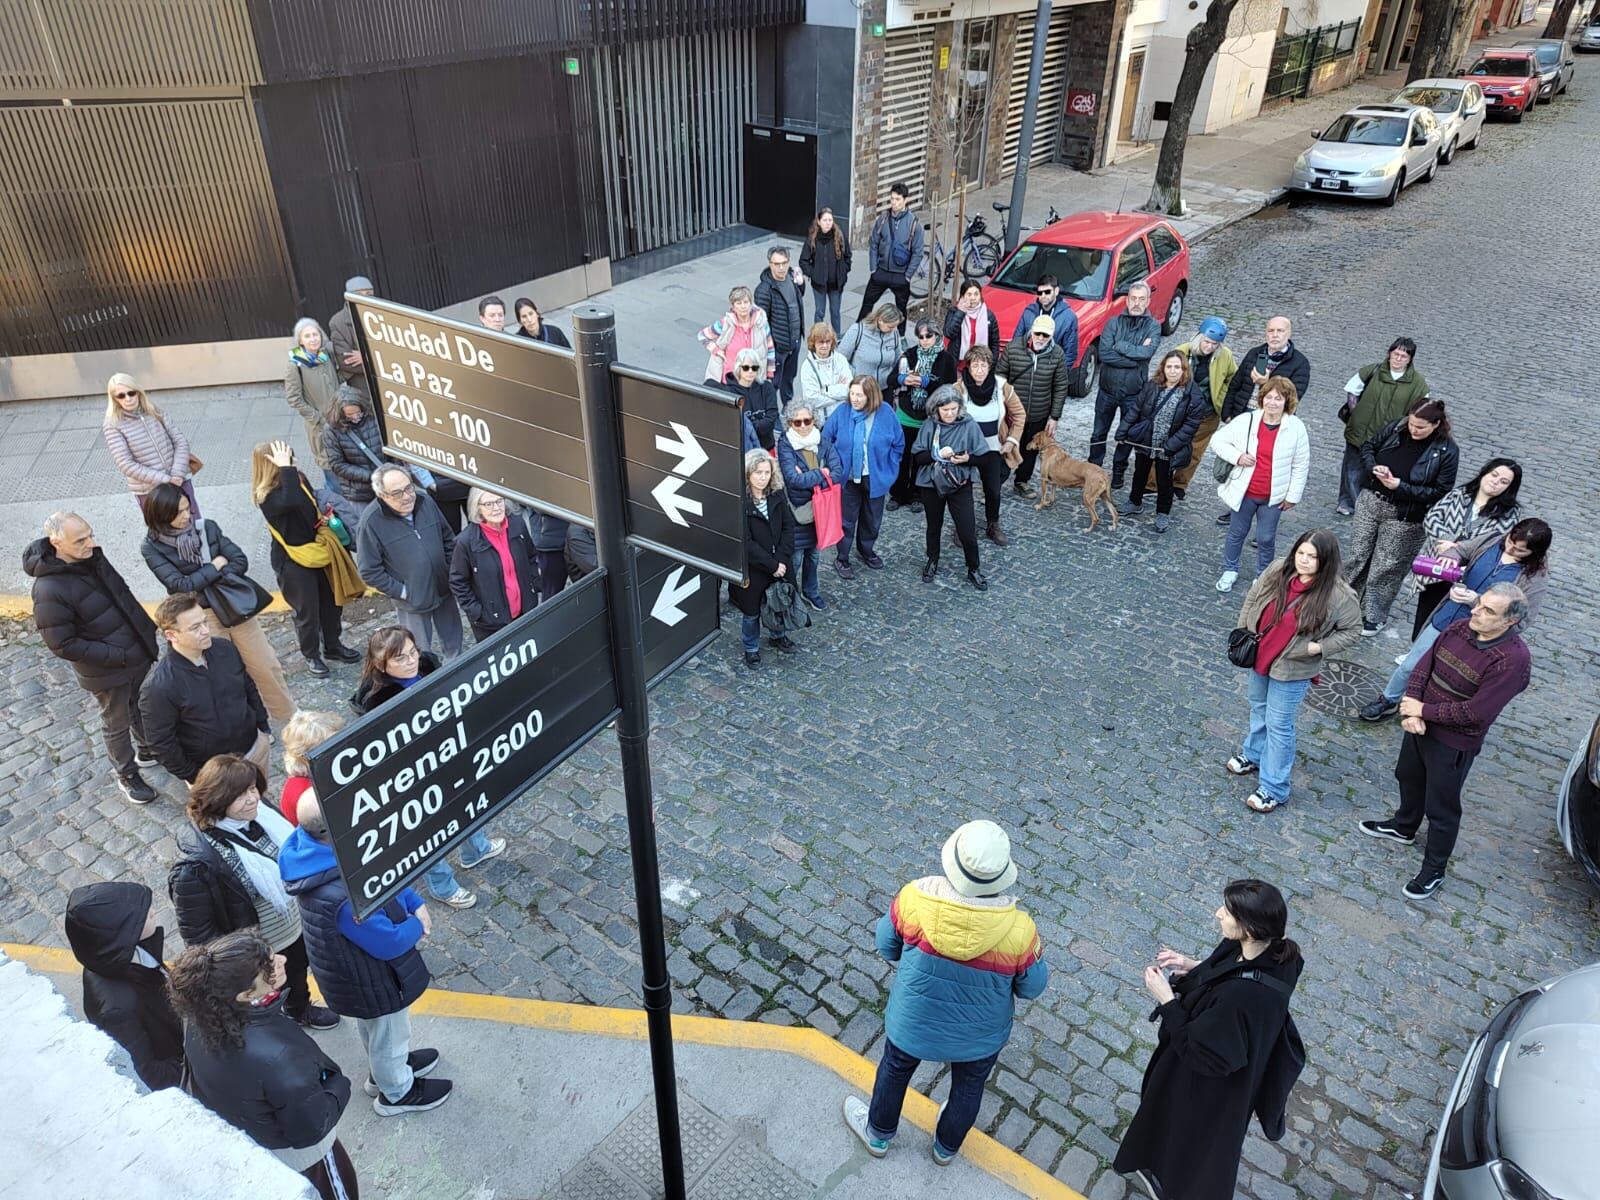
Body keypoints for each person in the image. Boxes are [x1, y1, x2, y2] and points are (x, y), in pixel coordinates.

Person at [841, 819, 1046, 1165]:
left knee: (894, 1070)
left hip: (913, 1022)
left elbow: (886, 945)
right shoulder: (1020, 931)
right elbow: (1033, 987)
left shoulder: (914, 899)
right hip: (979, 1036)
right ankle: (945, 1148)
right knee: (968, 1087)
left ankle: (878, 1135)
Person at [1114, 880, 1303, 1200]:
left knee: (1184, 1135)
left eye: (1228, 913)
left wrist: (1166, 1000)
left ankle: (1168, 1185)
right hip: (1233, 1073)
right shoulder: (1279, 954)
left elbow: (1196, 1050)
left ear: (1251, 929)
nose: (1218, 914)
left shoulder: (1238, 998)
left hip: (1207, 1087)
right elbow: (1233, 974)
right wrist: (1193, 966)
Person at [280, 792, 454, 1115]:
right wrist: (418, 924)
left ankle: (384, 1071)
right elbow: (387, 942)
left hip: (354, 975)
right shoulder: (342, 894)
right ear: (333, 830)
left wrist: (412, 901)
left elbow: (383, 874)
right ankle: (396, 1091)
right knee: (389, 1030)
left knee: (375, 1028)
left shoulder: (317, 852)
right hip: (372, 979)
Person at [1359, 583, 1532, 900]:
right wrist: (1412, 706)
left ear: (1510, 621)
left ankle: (1434, 869)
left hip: (1453, 741)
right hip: (1419, 723)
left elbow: (1476, 712)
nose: (1476, 612)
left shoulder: (1512, 661)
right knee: (1408, 776)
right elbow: (1424, 666)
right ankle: (1404, 826)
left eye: (1487, 611)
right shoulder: (1460, 627)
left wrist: (1423, 710)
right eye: (1479, 604)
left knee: (1442, 808)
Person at [166, 932, 361, 1198]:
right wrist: (340, 1086)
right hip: (305, 1159)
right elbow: (312, 1126)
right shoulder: (278, 1057)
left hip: (257, 1139)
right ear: (246, 994)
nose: (281, 960)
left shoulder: (200, 1017)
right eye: (268, 967)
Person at [169, 753, 339, 1030]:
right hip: (259, 946)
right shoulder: (197, 864)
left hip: (295, 924)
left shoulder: (262, 814)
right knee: (268, 994)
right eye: (240, 795)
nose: (252, 798)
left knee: (296, 973)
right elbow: (198, 934)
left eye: (252, 789)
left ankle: (299, 1009)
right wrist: (242, 964)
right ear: (217, 799)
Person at [351, 627, 504, 906]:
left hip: (450, 754)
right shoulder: (377, 704)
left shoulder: (427, 667)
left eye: (413, 652)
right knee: (429, 830)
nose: (411, 661)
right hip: (416, 773)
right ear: (381, 665)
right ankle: (442, 885)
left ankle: (475, 848)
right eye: (400, 659)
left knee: (466, 800)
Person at [25, 512, 161, 805]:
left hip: (134, 651)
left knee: (139, 704)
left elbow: (121, 594)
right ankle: (127, 775)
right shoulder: (48, 588)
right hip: (108, 669)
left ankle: (147, 749)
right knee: (116, 721)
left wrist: (145, 631)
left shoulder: (91, 556)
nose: (91, 543)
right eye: (81, 540)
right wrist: (116, 655)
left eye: (90, 534)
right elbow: (61, 643)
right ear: (56, 543)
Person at [1225, 531, 1362, 813]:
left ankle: (1274, 787)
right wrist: (1243, 630)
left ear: (1326, 561)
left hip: (1294, 667)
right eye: (1301, 553)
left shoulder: (1339, 596)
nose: (1304, 561)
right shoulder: (1278, 569)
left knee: (1279, 724)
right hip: (1261, 656)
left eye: (1313, 557)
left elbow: (1353, 631)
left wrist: (1318, 648)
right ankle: (1254, 754)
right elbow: (1253, 598)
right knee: (1258, 708)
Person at [1361, 520, 1550, 722]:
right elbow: (1461, 550)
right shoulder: (1492, 540)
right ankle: (1389, 700)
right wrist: (1451, 558)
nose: (1510, 548)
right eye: (1511, 541)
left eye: (1520, 551)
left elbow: (1522, 620)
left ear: (1534, 554)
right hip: (1446, 617)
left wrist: (1476, 600)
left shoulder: (1534, 578)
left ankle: (1428, 712)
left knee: (1447, 677)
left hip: (1475, 635)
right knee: (1410, 665)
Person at [139, 483, 295, 726]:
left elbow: (239, 561)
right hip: (201, 615)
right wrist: (215, 567)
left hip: (234, 608)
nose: (186, 516)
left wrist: (207, 576)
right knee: (224, 677)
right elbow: (181, 586)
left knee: (266, 665)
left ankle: (289, 718)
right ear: (160, 516)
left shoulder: (206, 528)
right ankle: (252, 724)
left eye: (186, 509)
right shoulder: (151, 547)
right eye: (178, 512)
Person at [1344, 398, 1459, 635]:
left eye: (1420, 427)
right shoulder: (1397, 426)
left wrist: (1400, 486)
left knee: (1387, 567)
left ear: (1436, 424)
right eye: (1412, 423)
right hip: (1372, 501)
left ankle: (1373, 615)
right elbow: (1368, 447)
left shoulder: (1447, 451)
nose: (1413, 429)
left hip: (1405, 516)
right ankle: (1344, 604)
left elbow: (1440, 492)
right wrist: (1373, 466)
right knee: (1358, 555)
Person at [253, 439, 363, 677]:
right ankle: (311, 655)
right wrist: (287, 469)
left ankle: (333, 646)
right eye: (287, 460)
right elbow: (290, 500)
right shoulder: (266, 495)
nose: (293, 462)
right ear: (274, 465)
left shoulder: (297, 479)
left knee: (332, 602)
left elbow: (306, 503)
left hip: (317, 549)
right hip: (293, 561)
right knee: (307, 612)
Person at [140, 594, 272, 785]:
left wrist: (263, 727)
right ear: (171, 635)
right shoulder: (159, 687)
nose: (205, 631)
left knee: (260, 801)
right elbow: (162, 744)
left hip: (254, 748)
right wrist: (197, 777)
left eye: (204, 622)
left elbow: (248, 686)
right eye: (195, 628)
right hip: (215, 774)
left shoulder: (225, 649)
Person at [64, 882, 183, 1090]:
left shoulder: (108, 955)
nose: (153, 912)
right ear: (122, 935)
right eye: (142, 916)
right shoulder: (118, 1010)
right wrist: (202, 1065)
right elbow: (149, 1074)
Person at [1211, 376, 1310, 590]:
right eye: (1269, 397)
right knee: (1236, 533)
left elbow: (1301, 464)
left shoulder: (1296, 427)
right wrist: (1237, 457)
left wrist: (1293, 496)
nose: (1272, 403)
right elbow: (1217, 441)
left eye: (1278, 398)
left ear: (1287, 402)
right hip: (1245, 491)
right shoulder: (1248, 420)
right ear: (1262, 398)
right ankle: (1230, 569)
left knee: (1266, 538)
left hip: (1273, 495)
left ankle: (1263, 575)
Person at [357, 463, 464, 659]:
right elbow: (369, 571)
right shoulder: (371, 522)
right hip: (412, 600)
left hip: (443, 588)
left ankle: (457, 676)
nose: (407, 496)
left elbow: (448, 537)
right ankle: (426, 682)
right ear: (382, 496)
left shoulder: (425, 501)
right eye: (397, 493)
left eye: (408, 488)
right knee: (417, 651)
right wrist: (403, 591)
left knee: (454, 643)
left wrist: (448, 570)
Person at [1409, 458, 1523, 638]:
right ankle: (1416, 649)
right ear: (1485, 472)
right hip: (1438, 564)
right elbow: (1432, 518)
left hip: (1467, 573)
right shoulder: (1460, 494)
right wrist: (1446, 540)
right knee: (1426, 609)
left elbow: (1496, 541)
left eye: (1504, 482)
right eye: (1494, 475)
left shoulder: (1509, 512)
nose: (1495, 482)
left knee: (1455, 616)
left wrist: (1458, 548)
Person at [821, 375, 903, 578]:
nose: (855, 399)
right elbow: (825, 439)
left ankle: (866, 550)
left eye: (860, 395)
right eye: (852, 394)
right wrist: (833, 466)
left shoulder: (886, 413)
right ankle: (842, 557)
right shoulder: (842, 412)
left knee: (872, 519)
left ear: (871, 396)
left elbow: (898, 444)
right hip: (848, 479)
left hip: (875, 477)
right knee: (846, 521)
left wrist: (889, 469)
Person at [1337, 338, 1428, 515]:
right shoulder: (1373, 370)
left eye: (1404, 356)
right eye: (1396, 354)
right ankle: (1348, 502)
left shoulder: (1418, 384)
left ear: (1410, 359)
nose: (1399, 358)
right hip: (1360, 431)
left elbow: (1420, 410)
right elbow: (1352, 391)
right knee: (1352, 467)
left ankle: (1369, 505)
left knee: (1376, 471)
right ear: (1389, 353)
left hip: (1388, 437)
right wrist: (1356, 414)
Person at [1119, 351, 1206, 533]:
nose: (1173, 371)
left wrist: (1170, 446)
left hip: (1167, 446)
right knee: (1140, 472)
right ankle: (1135, 501)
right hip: (1147, 440)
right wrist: (1123, 431)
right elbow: (1136, 409)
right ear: (1163, 368)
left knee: (1164, 480)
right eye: (1169, 367)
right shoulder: (1152, 385)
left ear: (1184, 370)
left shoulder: (1193, 395)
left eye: (1177, 367)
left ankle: (1163, 512)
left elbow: (1190, 426)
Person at [913, 386, 990, 591]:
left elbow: (984, 457)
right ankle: (932, 560)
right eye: (945, 410)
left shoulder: (969, 425)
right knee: (933, 525)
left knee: (967, 528)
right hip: (932, 483)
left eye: (953, 409)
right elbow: (918, 456)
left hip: (960, 483)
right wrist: (937, 455)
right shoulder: (930, 425)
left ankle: (973, 568)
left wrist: (967, 459)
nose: (949, 414)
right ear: (936, 409)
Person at [1088, 281, 1161, 488]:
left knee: (1126, 435)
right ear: (1127, 299)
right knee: (1098, 433)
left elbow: (1147, 353)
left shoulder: (1153, 326)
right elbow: (1105, 354)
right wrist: (1134, 357)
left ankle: (1118, 471)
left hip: (1133, 394)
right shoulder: (1113, 323)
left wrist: (1119, 346)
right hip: (1107, 391)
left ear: (1148, 300)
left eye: (1141, 299)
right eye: (1133, 298)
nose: (1136, 303)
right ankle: (1094, 467)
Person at [729, 450, 796, 669]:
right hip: (754, 569)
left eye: (767, 472)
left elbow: (788, 527)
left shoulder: (777, 494)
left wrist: (782, 559)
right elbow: (746, 543)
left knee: (779, 603)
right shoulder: (740, 502)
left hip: (780, 562)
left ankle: (778, 635)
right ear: (748, 474)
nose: (763, 477)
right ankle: (751, 649)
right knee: (752, 613)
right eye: (758, 472)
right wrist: (772, 564)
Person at [776, 397, 844, 611]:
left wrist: (810, 475)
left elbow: (838, 472)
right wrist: (821, 473)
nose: (804, 426)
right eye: (798, 422)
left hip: (820, 512)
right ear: (789, 423)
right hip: (798, 513)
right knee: (794, 559)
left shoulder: (822, 440)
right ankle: (789, 595)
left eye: (807, 421)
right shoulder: (786, 444)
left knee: (813, 556)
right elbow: (792, 479)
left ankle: (810, 591)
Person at [952, 347, 1025, 545]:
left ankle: (993, 525)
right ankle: (962, 526)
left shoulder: (1002, 387)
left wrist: (1011, 441)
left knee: (993, 489)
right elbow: (947, 417)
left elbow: (1019, 415)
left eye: (983, 365)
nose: (979, 370)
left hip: (993, 448)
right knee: (962, 489)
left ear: (989, 366)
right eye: (975, 365)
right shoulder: (958, 389)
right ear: (968, 367)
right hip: (965, 449)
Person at [450, 487, 539, 642]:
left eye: (499, 501)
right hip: (491, 623)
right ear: (477, 508)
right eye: (489, 504)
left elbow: (531, 556)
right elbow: (458, 581)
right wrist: (477, 612)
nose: (496, 508)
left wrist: (534, 585)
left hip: (525, 611)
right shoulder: (465, 542)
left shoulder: (517, 524)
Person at [102, 374, 198, 514]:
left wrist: (177, 475)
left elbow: (180, 441)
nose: (127, 399)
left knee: (194, 522)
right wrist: (166, 480)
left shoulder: (154, 411)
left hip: (180, 480)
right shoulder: (113, 425)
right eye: (121, 396)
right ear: (114, 399)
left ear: (138, 392)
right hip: (151, 490)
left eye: (131, 393)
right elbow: (126, 465)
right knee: (164, 532)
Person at [999, 315, 1072, 499]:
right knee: (1006, 447)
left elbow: (1061, 386)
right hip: (1013, 413)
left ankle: (1021, 481)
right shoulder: (1014, 347)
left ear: (1051, 336)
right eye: (1038, 333)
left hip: (1039, 411)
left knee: (1030, 449)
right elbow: (1000, 377)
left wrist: (1054, 416)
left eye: (1045, 335)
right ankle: (995, 484)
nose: (1040, 338)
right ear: (1031, 330)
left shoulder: (1057, 354)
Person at [888, 320, 957, 510]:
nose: (925, 340)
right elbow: (891, 379)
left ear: (937, 336)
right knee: (902, 455)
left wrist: (926, 382)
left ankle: (917, 494)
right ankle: (898, 493)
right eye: (921, 336)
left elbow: (949, 387)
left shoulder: (946, 359)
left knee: (921, 457)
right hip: (906, 412)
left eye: (929, 336)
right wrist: (904, 379)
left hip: (929, 417)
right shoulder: (909, 354)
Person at [1170, 317, 1237, 498]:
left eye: (1214, 344)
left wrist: (1220, 400)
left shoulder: (1225, 356)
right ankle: (1152, 484)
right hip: (1179, 411)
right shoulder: (1181, 352)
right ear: (1199, 337)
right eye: (1206, 342)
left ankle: (1180, 484)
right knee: (1166, 447)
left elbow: (1233, 379)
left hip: (1207, 414)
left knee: (1195, 451)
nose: (1209, 347)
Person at [856, 182, 924, 331]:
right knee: (867, 304)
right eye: (892, 199)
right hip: (880, 272)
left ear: (906, 200)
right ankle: (857, 332)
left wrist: (907, 276)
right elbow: (873, 243)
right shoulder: (883, 219)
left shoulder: (914, 224)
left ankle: (900, 338)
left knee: (901, 311)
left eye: (898, 199)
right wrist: (873, 268)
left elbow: (918, 252)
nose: (894, 202)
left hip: (900, 275)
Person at [1220, 315, 1311, 423]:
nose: (1275, 335)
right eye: (1271, 331)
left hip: (1272, 421)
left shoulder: (1300, 363)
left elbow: (1292, 399)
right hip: (1242, 415)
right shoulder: (1254, 353)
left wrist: (1266, 383)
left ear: (1289, 333)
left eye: (1280, 331)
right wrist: (1226, 414)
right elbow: (1235, 385)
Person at [285, 318, 338, 479]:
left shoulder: (325, 356)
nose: (313, 338)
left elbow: (336, 378)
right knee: (330, 470)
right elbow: (294, 398)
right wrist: (317, 418)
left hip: (338, 418)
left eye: (316, 334)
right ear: (300, 340)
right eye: (307, 336)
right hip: (320, 425)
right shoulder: (295, 365)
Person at [755, 245, 808, 403]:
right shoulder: (764, 290)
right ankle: (772, 415)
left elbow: (797, 299)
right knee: (774, 383)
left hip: (795, 341)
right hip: (778, 347)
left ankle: (788, 409)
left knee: (789, 380)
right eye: (777, 264)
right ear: (770, 264)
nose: (781, 267)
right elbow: (761, 324)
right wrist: (772, 346)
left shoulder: (791, 277)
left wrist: (801, 284)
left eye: (784, 263)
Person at [320, 385, 386, 508]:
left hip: (385, 484)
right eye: (350, 415)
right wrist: (370, 476)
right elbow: (337, 465)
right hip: (358, 493)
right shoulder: (331, 430)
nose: (356, 418)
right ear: (340, 413)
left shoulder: (373, 416)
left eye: (358, 413)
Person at [279, 710, 342, 830]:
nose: (339, 747)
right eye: (329, 746)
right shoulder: (302, 793)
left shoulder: (327, 767)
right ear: (306, 755)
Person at [699, 285, 774, 385]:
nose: (743, 306)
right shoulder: (725, 323)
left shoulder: (761, 322)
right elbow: (702, 335)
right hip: (731, 380)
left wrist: (769, 373)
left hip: (754, 378)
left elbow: (770, 347)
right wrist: (716, 350)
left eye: (746, 302)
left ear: (751, 303)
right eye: (739, 303)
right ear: (733, 307)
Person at [799, 207, 851, 332]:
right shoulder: (812, 239)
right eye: (825, 220)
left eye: (830, 220)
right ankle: (818, 337)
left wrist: (844, 271)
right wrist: (814, 273)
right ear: (818, 221)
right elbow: (803, 261)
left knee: (835, 313)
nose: (828, 223)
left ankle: (837, 337)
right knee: (819, 312)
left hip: (836, 284)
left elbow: (847, 256)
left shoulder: (840, 237)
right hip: (819, 285)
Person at [721, 347, 782, 451]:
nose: (750, 371)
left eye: (754, 368)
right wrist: (759, 425)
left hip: (766, 447)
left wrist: (750, 427)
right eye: (746, 368)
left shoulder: (767, 387)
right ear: (738, 368)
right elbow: (734, 425)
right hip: (744, 449)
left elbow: (772, 417)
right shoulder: (729, 392)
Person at [839, 304, 906, 395]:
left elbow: (898, 359)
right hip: (861, 389)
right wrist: (853, 374)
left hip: (885, 389)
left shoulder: (894, 334)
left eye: (896, 326)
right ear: (879, 320)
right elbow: (840, 358)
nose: (894, 329)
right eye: (890, 327)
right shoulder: (858, 330)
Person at [1012, 275, 1078, 367]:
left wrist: (1060, 377)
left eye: (1047, 292)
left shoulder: (1068, 317)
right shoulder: (1029, 312)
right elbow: (1016, 342)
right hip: (1027, 368)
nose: (1043, 296)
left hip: (1051, 370)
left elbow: (1070, 353)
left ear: (1056, 291)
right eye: (1040, 293)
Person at [796, 322, 853, 426]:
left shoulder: (840, 360)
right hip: (821, 424)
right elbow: (811, 400)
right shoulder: (807, 367)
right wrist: (838, 391)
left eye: (828, 341)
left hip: (843, 420)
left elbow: (849, 391)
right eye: (821, 342)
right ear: (813, 343)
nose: (825, 345)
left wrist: (826, 390)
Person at [327, 274, 373, 398]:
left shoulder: (383, 315)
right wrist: (380, 360)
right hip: (362, 386)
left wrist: (367, 357)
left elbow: (395, 352)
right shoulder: (337, 322)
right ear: (349, 297)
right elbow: (346, 361)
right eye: (359, 294)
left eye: (369, 294)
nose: (365, 298)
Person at [942, 281, 1001, 369]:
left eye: (976, 294)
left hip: (979, 365)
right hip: (958, 363)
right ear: (962, 296)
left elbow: (995, 343)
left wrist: (992, 364)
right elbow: (949, 333)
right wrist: (961, 312)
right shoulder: (954, 312)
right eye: (969, 294)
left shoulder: (988, 315)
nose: (973, 298)